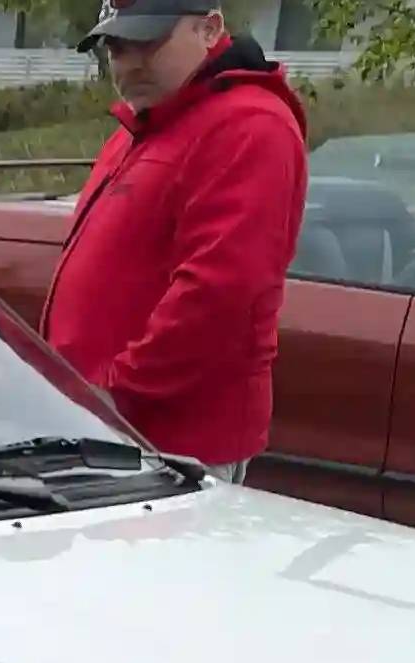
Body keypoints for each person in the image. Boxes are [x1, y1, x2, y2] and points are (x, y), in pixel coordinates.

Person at [41, 6, 308, 479]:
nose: (129, 63)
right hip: (103, 429)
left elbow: (220, 294)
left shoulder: (249, 125)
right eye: (116, 47)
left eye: (148, 43)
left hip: (169, 445)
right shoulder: (145, 127)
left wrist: (114, 391)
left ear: (210, 28)